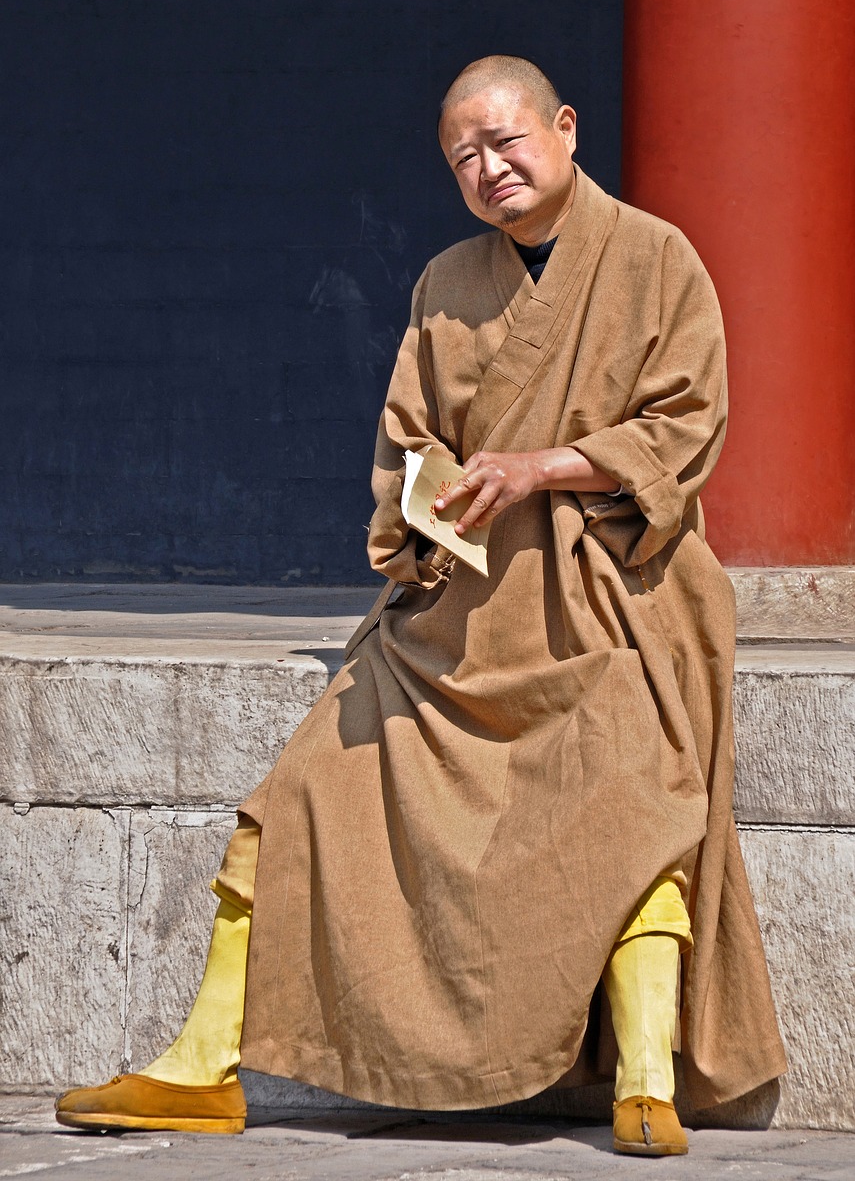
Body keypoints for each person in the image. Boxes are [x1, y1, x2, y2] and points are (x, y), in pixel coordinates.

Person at [56, 56, 787, 1157]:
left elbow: (686, 426)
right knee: (300, 790)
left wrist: (544, 468)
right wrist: (438, 493)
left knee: (637, 795)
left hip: (608, 606)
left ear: (567, 128)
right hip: (462, 612)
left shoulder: (656, 260)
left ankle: (646, 1075)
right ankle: (203, 1060)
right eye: (463, 159)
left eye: (506, 142)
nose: (488, 169)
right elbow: (408, 444)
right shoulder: (448, 282)